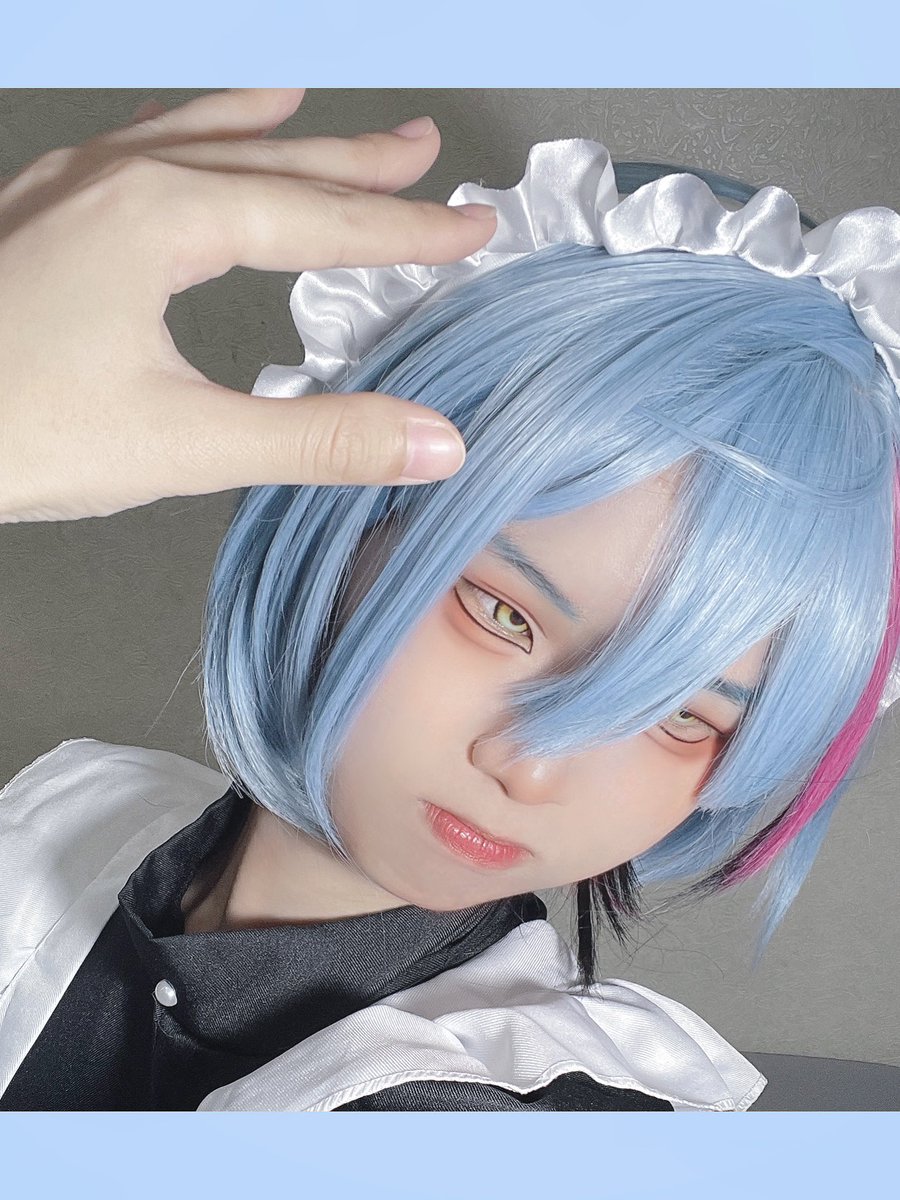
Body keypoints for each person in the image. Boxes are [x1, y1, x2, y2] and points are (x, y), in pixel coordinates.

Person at [1, 89, 898, 1112]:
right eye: (506, 615)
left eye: (680, 716)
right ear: (343, 519)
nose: (533, 769)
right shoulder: (74, 825)